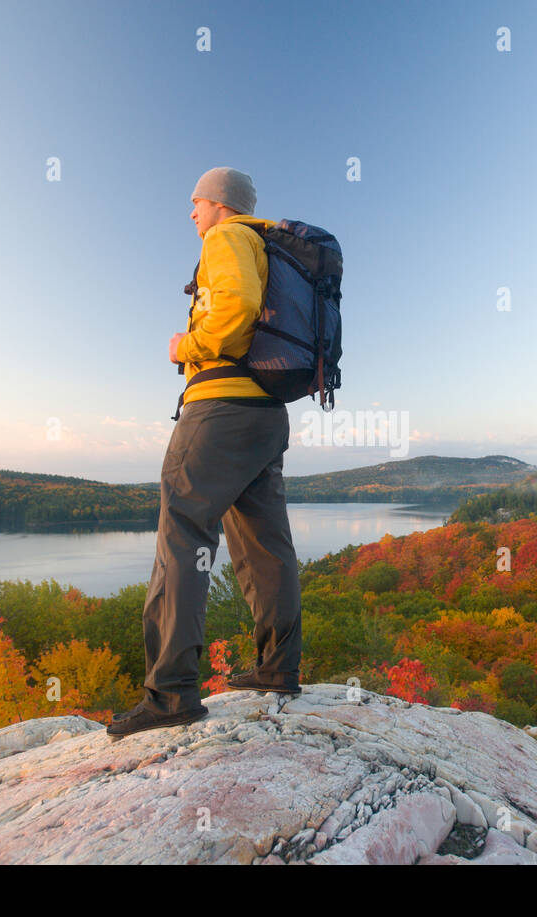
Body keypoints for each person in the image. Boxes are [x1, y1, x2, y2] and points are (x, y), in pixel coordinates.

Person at [108, 167, 304, 738]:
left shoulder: (226, 238)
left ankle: (170, 694)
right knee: (266, 544)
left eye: (195, 202)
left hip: (218, 410)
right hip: (265, 416)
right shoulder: (265, 244)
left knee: (184, 531)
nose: (191, 214)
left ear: (218, 202)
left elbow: (235, 310)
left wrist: (184, 346)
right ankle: (277, 669)